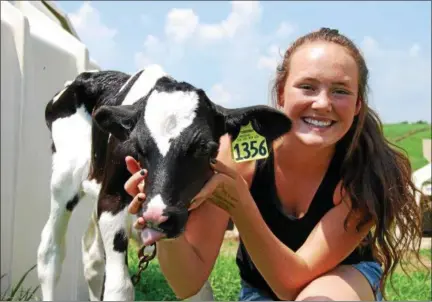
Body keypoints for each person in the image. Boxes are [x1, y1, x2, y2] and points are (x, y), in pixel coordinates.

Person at [124, 28, 424, 301]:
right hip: (261, 289)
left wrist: (240, 202)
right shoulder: (237, 154)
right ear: (281, 92)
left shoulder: (371, 172)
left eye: (341, 91)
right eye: (307, 87)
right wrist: (163, 220)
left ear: (358, 104)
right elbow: (187, 282)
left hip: (344, 283)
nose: (322, 103)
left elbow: (291, 286)